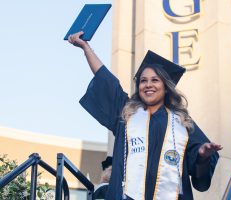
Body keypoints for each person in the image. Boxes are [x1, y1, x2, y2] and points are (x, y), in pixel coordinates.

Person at [68, 31, 222, 200]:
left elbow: (201, 173)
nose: (148, 85)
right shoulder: (127, 114)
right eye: (143, 80)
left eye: (155, 80)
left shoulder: (181, 122)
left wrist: (201, 156)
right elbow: (106, 80)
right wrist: (86, 48)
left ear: (165, 86)